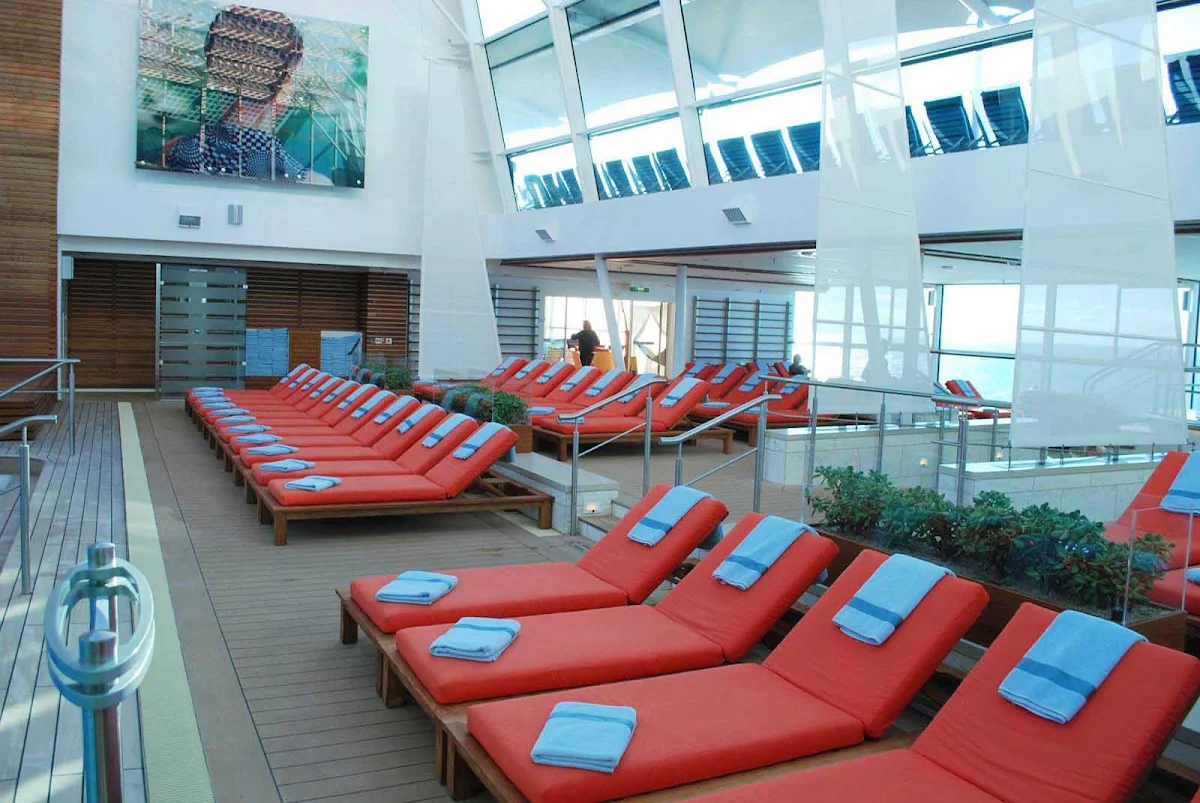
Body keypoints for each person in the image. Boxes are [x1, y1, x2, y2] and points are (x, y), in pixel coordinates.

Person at [163, 6, 329, 184]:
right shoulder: (311, 183)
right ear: (284, 84)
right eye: (295, 76)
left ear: (214, 72)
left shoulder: (181, 152)